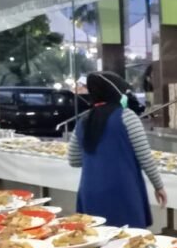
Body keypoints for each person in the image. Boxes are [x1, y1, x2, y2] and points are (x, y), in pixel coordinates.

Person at [68, 71, 167, 228]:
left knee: (95, 237)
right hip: (123, 190)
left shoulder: (84, 120)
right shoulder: (127, 116)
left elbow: (73, 160)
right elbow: (145, 158)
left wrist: (96, 160)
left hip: (90, 190)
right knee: (128, 238)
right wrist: (159, 186)